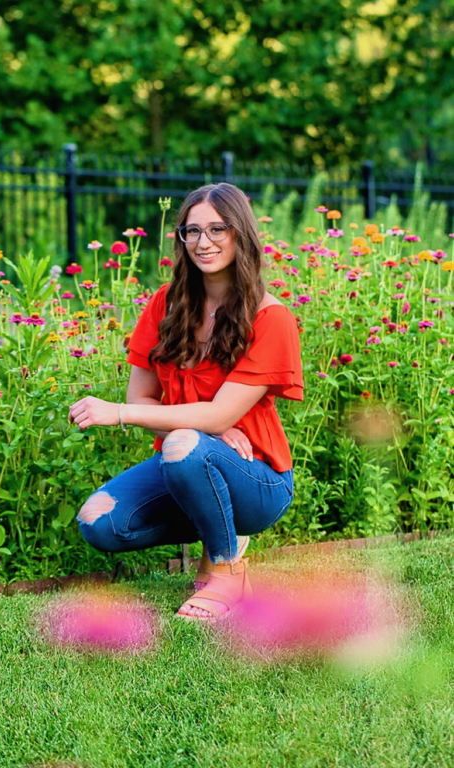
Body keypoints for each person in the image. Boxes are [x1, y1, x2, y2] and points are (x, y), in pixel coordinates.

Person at [68, 182, 303, 621]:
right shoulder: (164, 305)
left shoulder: (270, 317)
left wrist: (120, 415)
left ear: (241, 235)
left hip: (258, 477)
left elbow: (216, 414)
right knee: (98, 521)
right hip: (185, 464)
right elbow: (144, 397)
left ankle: (227, 570)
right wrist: (203, 431)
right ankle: (218, 530)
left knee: (184, 445)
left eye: (218, 229)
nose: (203, 242)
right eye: (191, 231)